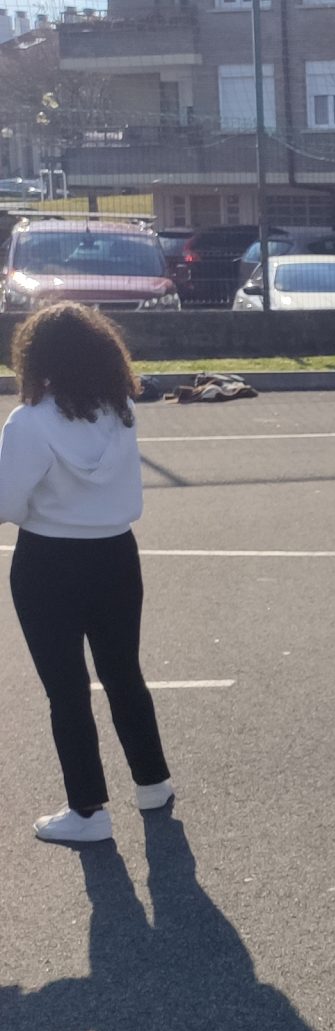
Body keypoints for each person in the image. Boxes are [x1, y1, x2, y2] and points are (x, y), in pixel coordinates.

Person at [0, 305, 172, 844]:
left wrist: (36, 510)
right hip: (117, 554)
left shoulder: (29, 422)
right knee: (125, 674)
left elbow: (6, 503)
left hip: (48, 561)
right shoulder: (120, 407)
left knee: (67, 689)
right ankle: (153, 782)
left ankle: (89, 811)